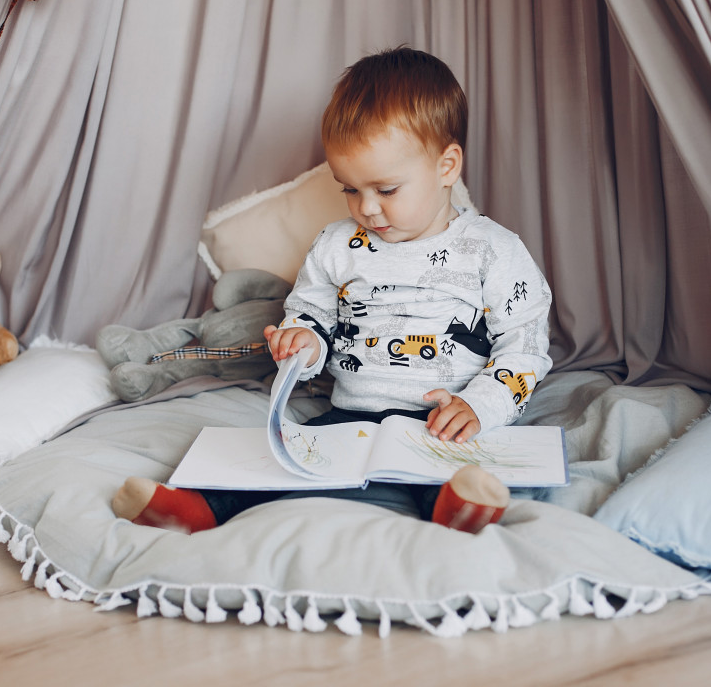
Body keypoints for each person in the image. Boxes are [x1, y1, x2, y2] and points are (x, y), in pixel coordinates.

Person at [113, 46, 552, 534]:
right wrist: (302, 343)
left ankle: (461, 508)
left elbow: (526, 343)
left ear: (447, 166)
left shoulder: (493, 250)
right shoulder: (337, 245)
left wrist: (481, 406)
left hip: (441, 420)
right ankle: (195, 508)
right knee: (280, 458)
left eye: (386, 190)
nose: (367, 208)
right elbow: (310, 314)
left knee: (447, 471)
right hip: (349, 417)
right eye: (350, 188)